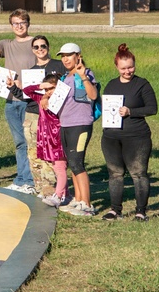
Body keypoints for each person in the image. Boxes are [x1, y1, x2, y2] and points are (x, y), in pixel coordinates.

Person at [0, 10, 37, 194]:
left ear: (28, 23)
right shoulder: (7, 44)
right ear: (11, 26)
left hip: (30, 100)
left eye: (22, 22)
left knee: (31, 142)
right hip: (11, 100)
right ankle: (21, 179)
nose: (19, 26)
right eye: (15, 23)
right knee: (19, 142)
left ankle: (31, 180)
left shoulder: (36, 43)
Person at [100, 44, 157, 221]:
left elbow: (152, 108)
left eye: (131, 67)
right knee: (115, 174)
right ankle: (115, 210)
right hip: (111, 137)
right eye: (123, 68)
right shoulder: (111, 85)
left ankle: (141, 211)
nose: (128, 71)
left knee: (138, 173)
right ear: (116, 67)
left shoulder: (142, 84)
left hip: (137, 137)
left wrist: (131, 111)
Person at [15, 35, 66, 200]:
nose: (40, 49)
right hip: (32, 114)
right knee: (34, 153)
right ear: (32, 50)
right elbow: (26, 95)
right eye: (36, 47)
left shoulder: (58, 65)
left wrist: (46, 96)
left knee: (52, 155)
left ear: (48, 47)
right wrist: (12, 88)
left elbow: (66, 87)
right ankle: (40, 188)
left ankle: (52, 189)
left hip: (54, 118)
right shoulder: (30, 71)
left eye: (42, 45)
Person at [54, 43, 100, 217]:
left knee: (78, 163)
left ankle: (87, 204)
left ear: (78, 56)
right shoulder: (65, 77)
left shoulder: (86, 74)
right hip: (65, 124)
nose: (65, 59)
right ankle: (78, 199)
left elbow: (93, 95)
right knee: (72, 164)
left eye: (69, 55)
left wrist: (84, 76)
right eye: (62, 56)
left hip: (80, 124)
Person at [20, 73, 69, 208]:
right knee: (56, 167)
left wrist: (50, 96)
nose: (48, 92)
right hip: (46, 139)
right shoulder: (41, 98)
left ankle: (58, 196)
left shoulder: (63, 100)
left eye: (51, 88)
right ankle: (67, 194)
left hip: (58, 137)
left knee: (60, 167)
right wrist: (41, 87)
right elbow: (26, 90)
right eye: (46, 89)